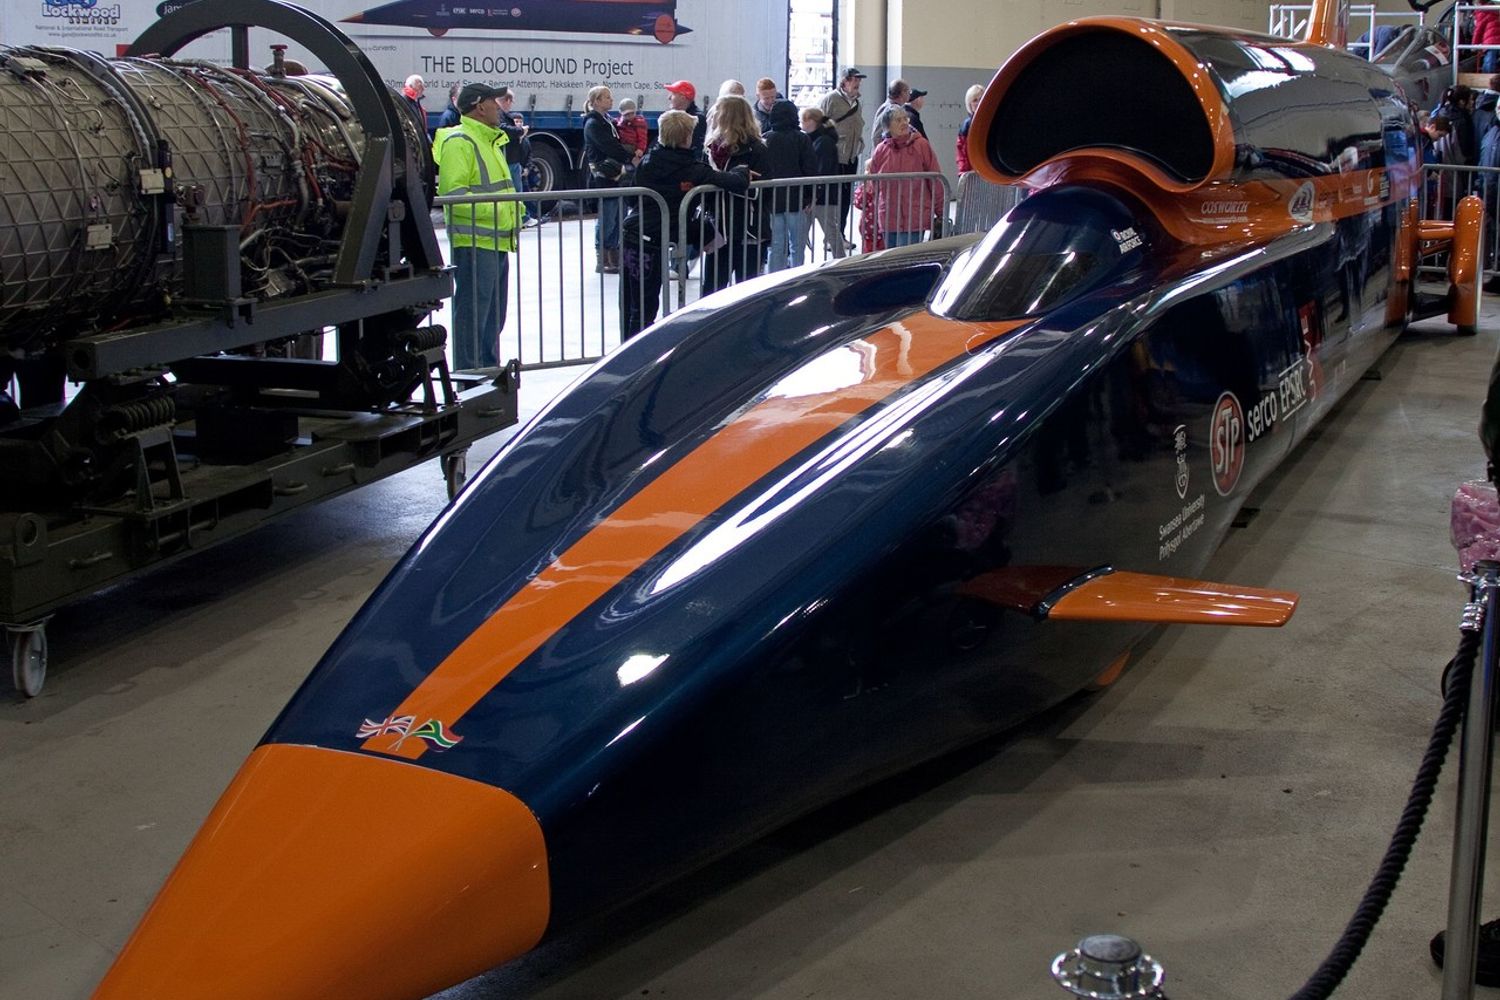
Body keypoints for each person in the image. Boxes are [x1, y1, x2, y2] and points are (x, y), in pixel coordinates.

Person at [619, 110, 750, 339]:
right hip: (654, 239)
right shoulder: (693, 168)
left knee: (630, 301)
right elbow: (735, 182)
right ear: (687, 137)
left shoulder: (649, 161)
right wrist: (741, 170)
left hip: (632, 233)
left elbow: (632, 196)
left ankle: (625, 348)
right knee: (646, 304)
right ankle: (637, 360)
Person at [434, 83, 519, 370]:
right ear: (480, 106)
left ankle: (488, 374)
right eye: (495, 101)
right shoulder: (461, 141)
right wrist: (498, 211)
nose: (500, 106)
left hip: (496, 241)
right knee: (474, 316)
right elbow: (454, 195)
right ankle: (470, 377)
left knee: (493, 318)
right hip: (476, 243)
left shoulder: (489, 140)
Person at [702, 95, 767, 293]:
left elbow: (761, 190)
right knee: (712, 289)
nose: (713, 116)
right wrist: (732, 180)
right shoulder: (710, 149)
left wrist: (718, 180)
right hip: (718, 229)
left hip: (748, 228)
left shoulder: (757, 149)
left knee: (746, 291)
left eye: (718, 111)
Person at [859, 105, 943, 248]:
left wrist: (941, 211)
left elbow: (935, 180)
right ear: (888, 126)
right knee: (892, 262)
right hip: (888, 218)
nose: (904, 123)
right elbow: (873, 184)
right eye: (898, 120)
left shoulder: (921, 145)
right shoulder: (881, 150)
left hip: (915, 216)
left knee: (908, 261)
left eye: (905, 119)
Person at [583, 85, 641, 274]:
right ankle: (603, 256)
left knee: (617, 216)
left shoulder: (607, 121)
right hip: (603, 176)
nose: (611, 100)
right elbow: (608, 146)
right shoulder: (593, 124)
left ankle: (614, 253)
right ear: (597, 101)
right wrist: (627, 156)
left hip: (614, 176)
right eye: (607, 97)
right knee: (607, 217)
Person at [761, 99, 816, 271]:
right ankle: (796, 278)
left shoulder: (765, 139)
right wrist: (811, 196)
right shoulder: (802, 139)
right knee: (797, 246)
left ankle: (773, 281)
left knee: (776, 245)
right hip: (797, 199)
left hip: (773, 201)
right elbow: (810, 168)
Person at [818, 67, 866, 234]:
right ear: (844, 81)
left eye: (859, 80)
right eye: (854, 79)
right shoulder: (830, 99)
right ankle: (831, 236)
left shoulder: (857, 103)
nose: (858, 83)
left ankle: (840, 234)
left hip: (851, 156)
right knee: (833, 199)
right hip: (835, 157)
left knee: (845, 199)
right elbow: (819, 124)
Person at [802, 106, 848, 259]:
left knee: (831, 231)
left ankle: (841, 260)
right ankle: (840, 259)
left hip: (822, 197)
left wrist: (814, 196)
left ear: (811, 121)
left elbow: (823, 171)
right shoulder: (820, 141)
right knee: (830, 230)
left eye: (803, 121)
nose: (801, 125)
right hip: (822, 195)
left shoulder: (823, 143)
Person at [496, 87, 533, 226]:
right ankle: (520, 218)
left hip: (511, 159)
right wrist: (520, 131)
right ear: (507, 100)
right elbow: (503, 129)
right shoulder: (500, 115)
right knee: (515, 192)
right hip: (508, 159)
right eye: (511, 102)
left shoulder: (503, 115)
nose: (511, 105)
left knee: (517, 191)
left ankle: (521, 217)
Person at [665, 80, 707, 156]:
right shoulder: (669, 115)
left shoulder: (697, 119)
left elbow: (696, 148)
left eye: (673, 94)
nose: (669, 97)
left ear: (682, 97)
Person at [871, 79, 911, 146]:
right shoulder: (886, 109)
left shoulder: (899, 108)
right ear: (902, 93)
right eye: (908, 91)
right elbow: (876, 136)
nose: (909, 94)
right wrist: (881, 153)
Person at [956, 83, 984, 173]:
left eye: (981, 99)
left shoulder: (993, 123)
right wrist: (963, 173)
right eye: (975, 100)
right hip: (973, 174)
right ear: (970, 104)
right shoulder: (967, 125)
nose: (979, 103)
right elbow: (961, 153)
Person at [1478, 0, 1500, 75]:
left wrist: (1475, 44)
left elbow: (1478, 30)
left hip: (1490, 43)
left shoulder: (1484, 16)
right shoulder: (1491, 17)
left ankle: (1488, 77)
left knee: (1489, 60)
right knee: (1490, 59)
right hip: (1491, 42)